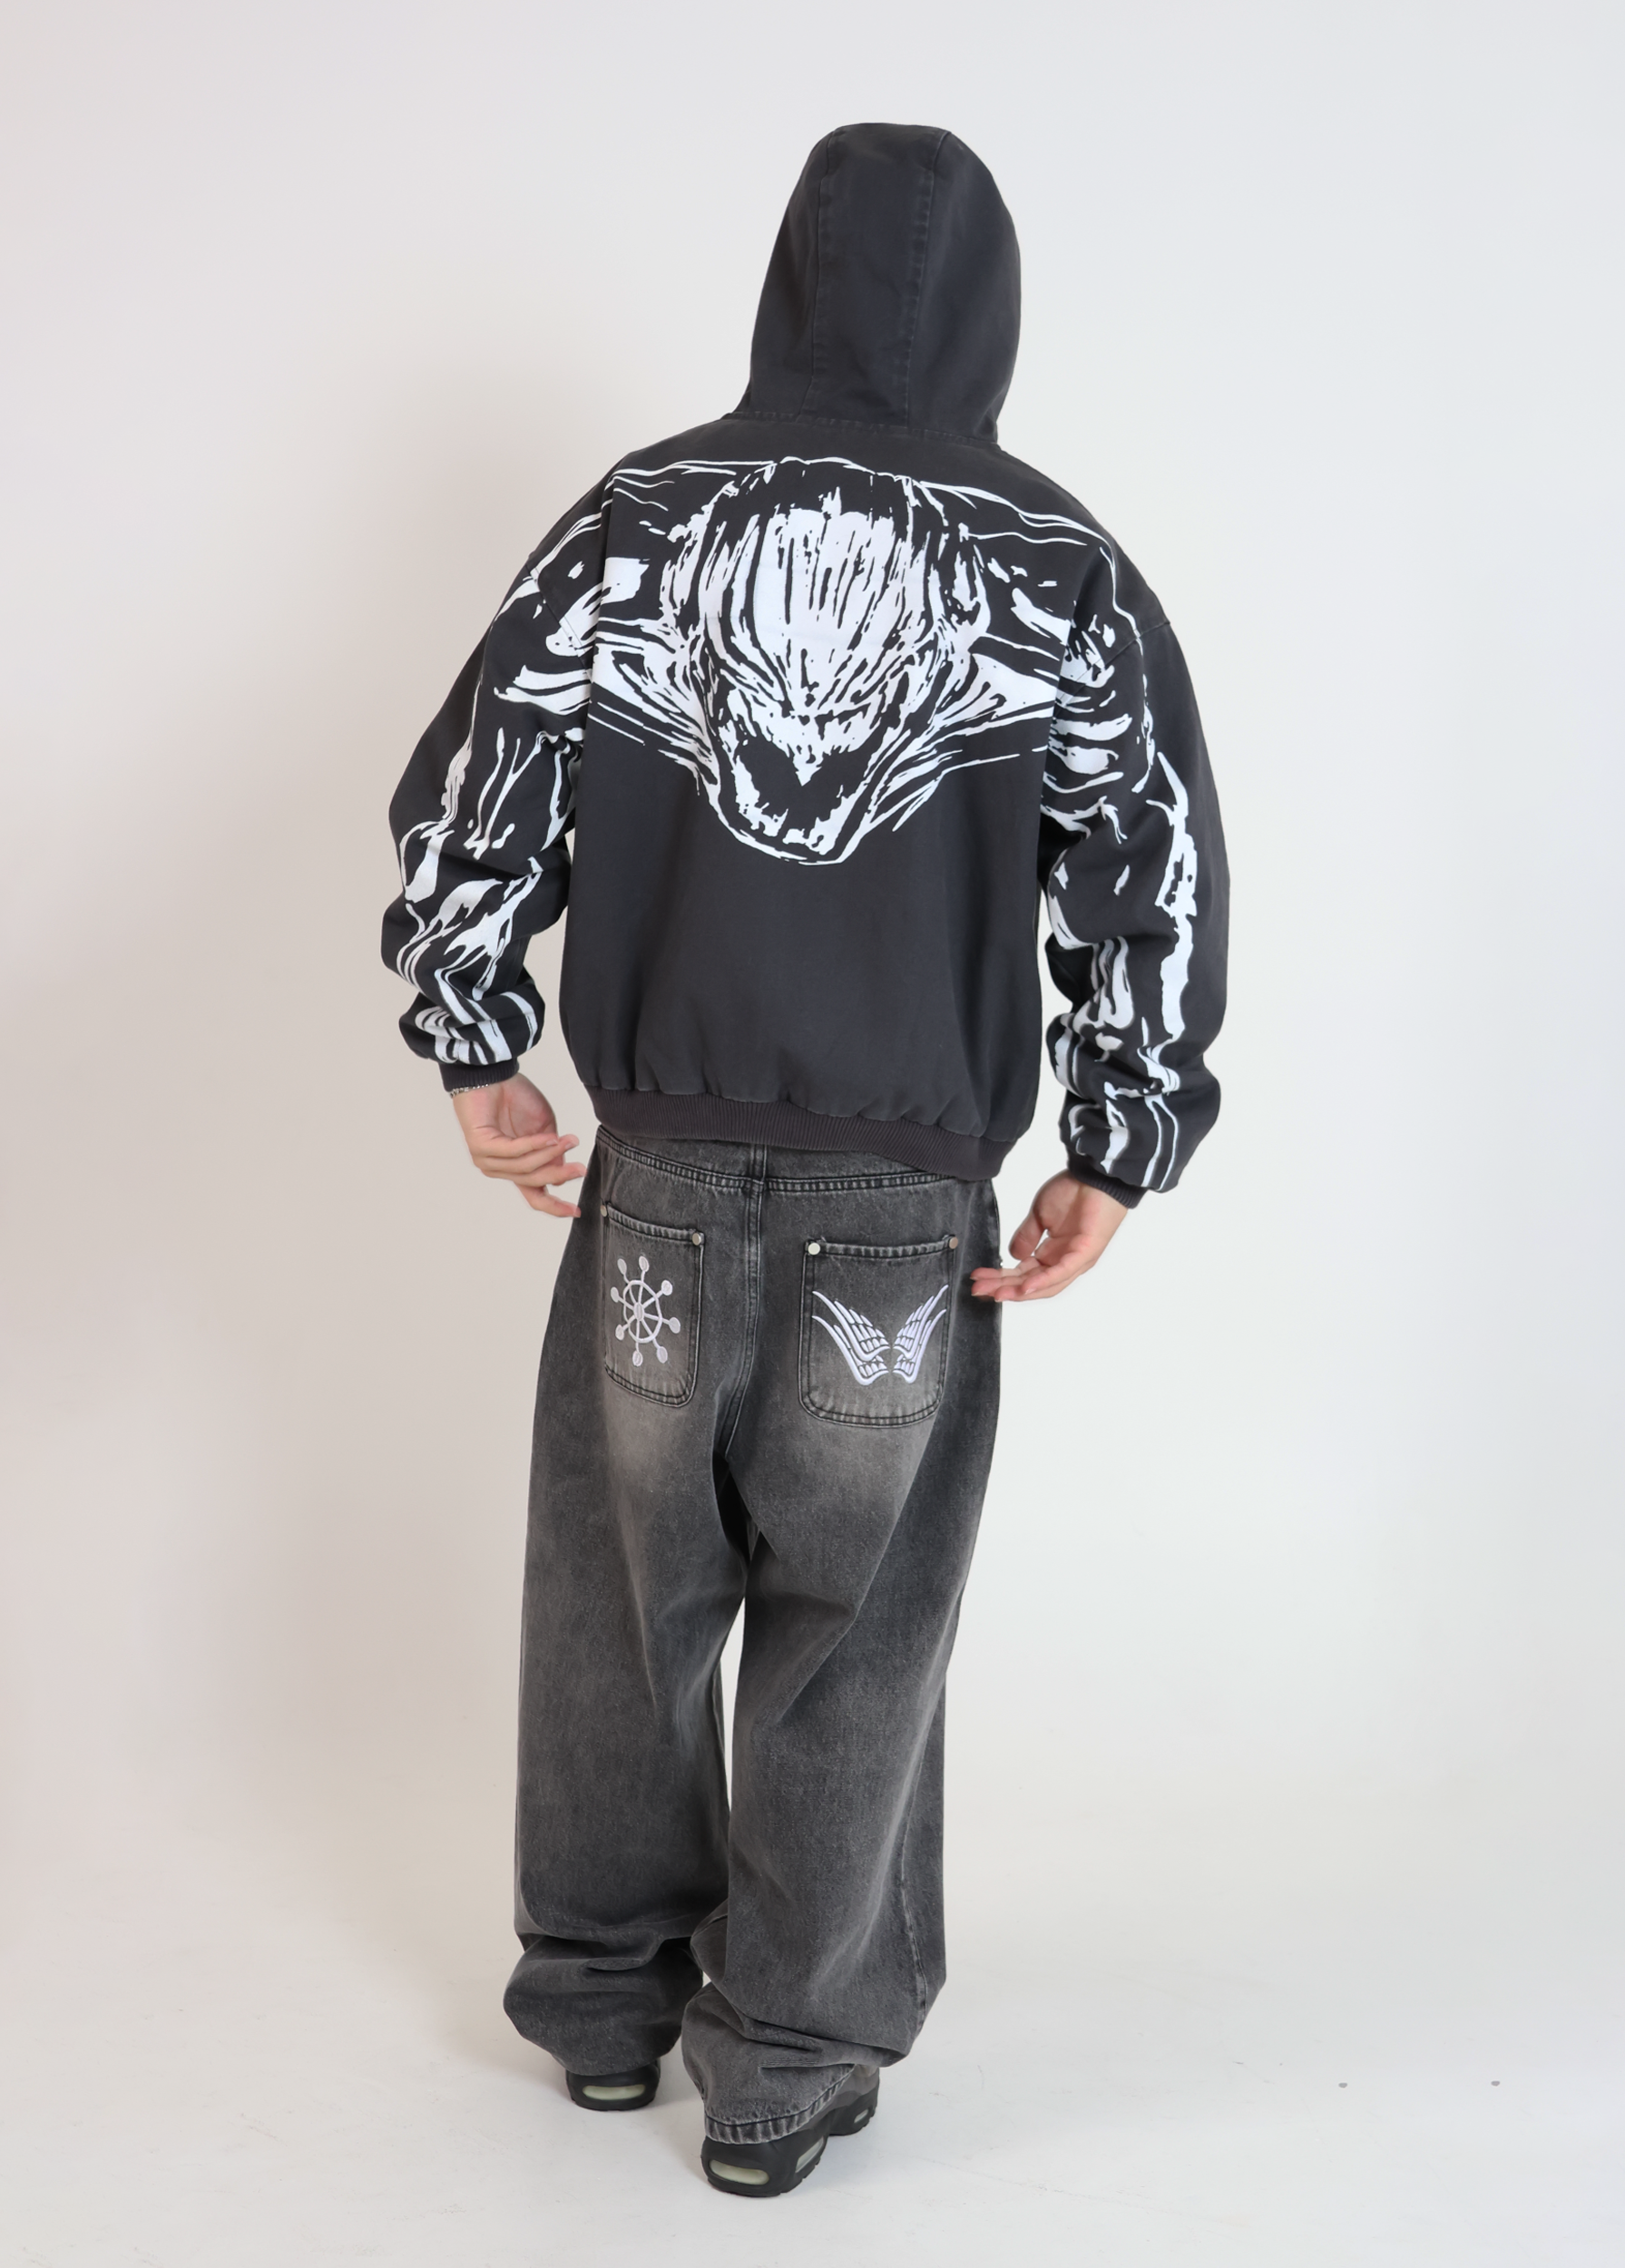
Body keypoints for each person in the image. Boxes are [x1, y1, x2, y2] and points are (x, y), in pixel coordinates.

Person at [382, 121, 1228, 2198]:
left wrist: (477, 1043)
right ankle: (782, 2061)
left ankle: (601, 2002)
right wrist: (1118, 1135)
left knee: (621, 1600)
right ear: (991, 308)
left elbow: (478, 783)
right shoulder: (1054, 560)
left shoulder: (636, 517)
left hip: (656, 1175)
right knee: (856, 1624)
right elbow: (1150, 855)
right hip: (900, 1202)